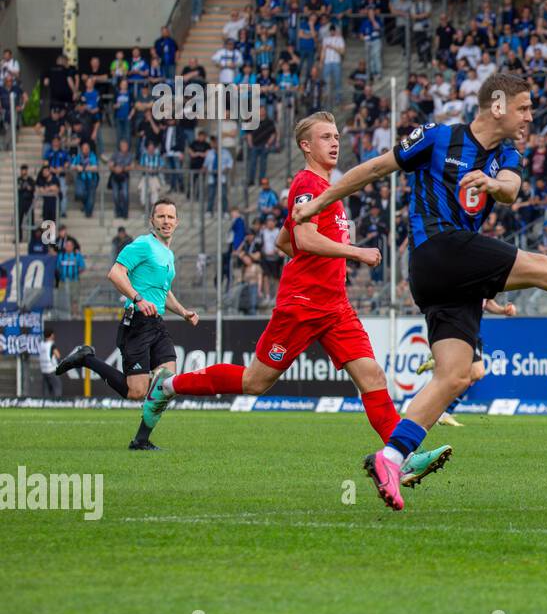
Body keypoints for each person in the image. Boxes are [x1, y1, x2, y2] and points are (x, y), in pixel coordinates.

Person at [292, 73, 547, 511]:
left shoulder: (506, 154)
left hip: (451, 277)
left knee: (455, 375)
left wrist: (493, 183)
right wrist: (318, 203)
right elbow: (374, 168)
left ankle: (391, 457)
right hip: (437, 250)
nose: (530, 115)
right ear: (497, 106)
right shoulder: (438, 137)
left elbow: (512, 189)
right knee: (543, 268)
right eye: (524, 107)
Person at [137, 113, 422, 465]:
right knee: (256, 382)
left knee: (372, 375)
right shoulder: (306, 185)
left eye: (336, 136)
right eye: (325, 137)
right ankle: (167, 386)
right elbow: (302, 237)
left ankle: (400, 458)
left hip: (335, 306)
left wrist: (324, 261)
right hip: (302, 305)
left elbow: (286, 241)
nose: (334, 143)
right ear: (306, 146)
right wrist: (354, 252)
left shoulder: (329, 190)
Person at [53, 199, 199, 449]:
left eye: (170, 217)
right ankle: (86, 358)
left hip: (157, 323)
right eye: (161, 216)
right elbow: (115, 273)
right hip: (137, 323)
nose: (166, 221)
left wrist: (183, 311)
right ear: (152, 220)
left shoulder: (168, 253)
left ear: (177, 222)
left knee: (167, 382)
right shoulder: (143, 244)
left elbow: (163, 291)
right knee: (136, 393)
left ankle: (141, 441)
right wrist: (138, 298)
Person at [414, 298, 518, 432]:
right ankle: (444, 412)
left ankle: (440, 366)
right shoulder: (472, 279)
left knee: (469, 375)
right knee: (476, 373)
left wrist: (502, 310)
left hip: (471, 330)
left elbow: (487, 301)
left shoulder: (483, 282)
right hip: (464, 329)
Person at [38, 330, 61, 397]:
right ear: (51, 335)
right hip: (51, 369)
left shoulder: (41, 344)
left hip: (44, 369)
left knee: (46, 390)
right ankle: (56, 403)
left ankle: (46, 403)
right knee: (57, 387)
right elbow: (58, 355)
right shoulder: (51, 344)